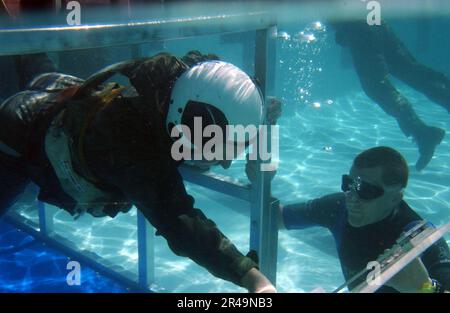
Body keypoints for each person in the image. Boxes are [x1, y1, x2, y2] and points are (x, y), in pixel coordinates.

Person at [0, 50, 276, 293]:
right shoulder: (129, 148)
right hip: (18, 134)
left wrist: (263, 134)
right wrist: (251, 278)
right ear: (186, 121)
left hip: (60, 90)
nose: (225, 163)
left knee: (35, 63)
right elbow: (180, 223)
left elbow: (239, 94)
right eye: (215, 147)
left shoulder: (184, 77)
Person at [248, 146, 450, 292]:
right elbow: (276, 218)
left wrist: (423, 288)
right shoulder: (338, 208)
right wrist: (262, 174)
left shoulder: (420, 238)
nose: (351, 198)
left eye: (366, 190)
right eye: (349, 184)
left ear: (395, 198)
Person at [331, 20, 448, 171]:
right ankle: (423, 130)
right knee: (411, 71)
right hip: (375, 20)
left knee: (376, 85)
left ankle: (421, 132)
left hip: (357, 26)